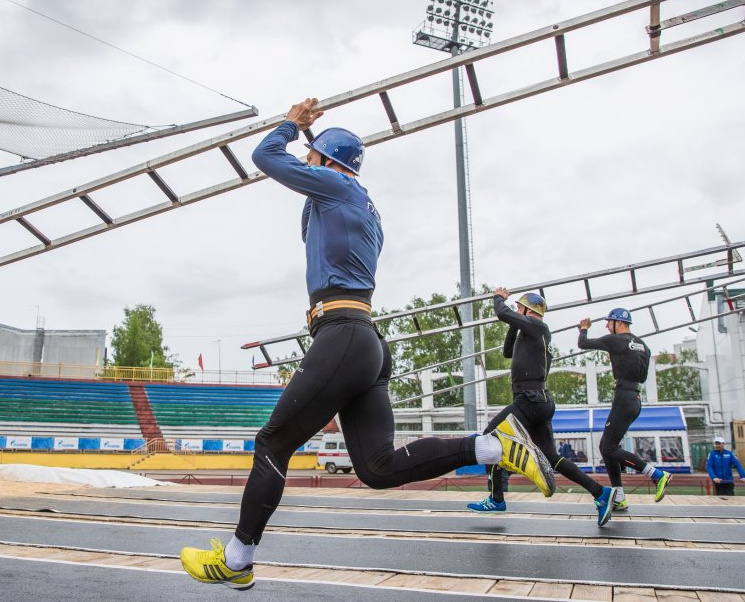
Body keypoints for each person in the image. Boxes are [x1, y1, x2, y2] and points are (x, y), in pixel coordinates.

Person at [179, 98, 556, 591]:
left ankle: (237, 557)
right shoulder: (360, 208)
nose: (306, 163)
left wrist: (290, 128)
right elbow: (311, 227)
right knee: (378, 467)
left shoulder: (337, 186)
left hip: (342, 335)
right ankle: (492, 446)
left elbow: (267, 158)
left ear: (331, 162)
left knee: (273, 442)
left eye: (313, 157)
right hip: (366, 341)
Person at [468, 288, 614, 527]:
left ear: (528, 310)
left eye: (520, 309)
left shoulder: (539, 328)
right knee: (553, 457)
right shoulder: (531, 334)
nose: (516, 312)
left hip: (529, 399)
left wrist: (499, 298)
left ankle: (496, 497)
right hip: (539, 401)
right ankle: (600, 493)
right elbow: (507, 351)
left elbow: (501, 313)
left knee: (488, 438)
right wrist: (515, 321)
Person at [578, 307, 672, 511]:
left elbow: (582, 343)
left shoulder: (616, 340)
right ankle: (619, 497)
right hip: (635, 398)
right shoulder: (643, 345)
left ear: (617, 323)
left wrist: (583, 328)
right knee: (607, 447)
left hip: (623, 397)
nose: (606, 326)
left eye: (608, 322)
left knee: (609, 448)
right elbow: (643, 376)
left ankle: (657, 474)